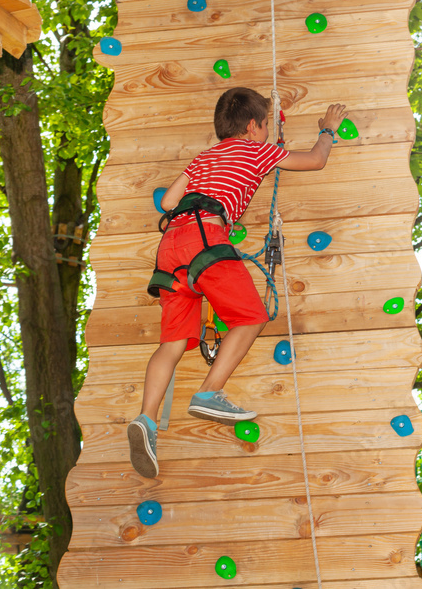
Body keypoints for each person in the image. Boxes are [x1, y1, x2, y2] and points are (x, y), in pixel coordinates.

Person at [127, 86, 348, 478]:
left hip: (171, 246)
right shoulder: (256, 150)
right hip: (205, 239)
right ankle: (210, 392)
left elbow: (167, 203)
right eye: (264, 125)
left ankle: (145, 419)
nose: (265, 132)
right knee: (251, 317)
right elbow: (315, 160)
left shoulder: (203, 157)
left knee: (173, 341)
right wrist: (328, 129)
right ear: (252, 126)